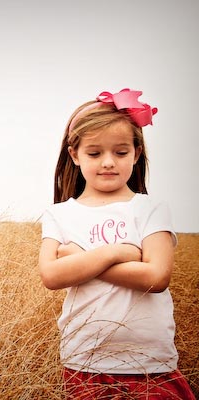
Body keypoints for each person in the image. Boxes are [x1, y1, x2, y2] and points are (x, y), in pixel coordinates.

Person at [38, 88, 195, 399]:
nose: (108, 162)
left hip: (151, 364)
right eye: (94, 153)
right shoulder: (59, 214)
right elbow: (51, 276)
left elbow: (156, 278)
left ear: (136, 154)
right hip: (85, 361)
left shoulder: (151, 209)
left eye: (120, 152)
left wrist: (81, 260)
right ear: (75, 155)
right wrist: (117, 252)